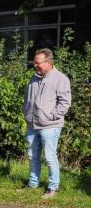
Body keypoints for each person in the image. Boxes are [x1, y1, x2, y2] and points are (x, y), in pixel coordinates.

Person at [23, 48, 71, 199]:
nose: (35, 65)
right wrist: (26, 113)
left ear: (48, 62)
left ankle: (53, 187)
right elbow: (27, 99)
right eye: (34, 62)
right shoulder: (33, 78)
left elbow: (65, 103)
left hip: (50, 126)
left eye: (37, 63)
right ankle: (32, 184)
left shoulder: (60, 79)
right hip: (32, 125)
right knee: (32, 156)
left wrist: (51, 116)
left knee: (50, 157)